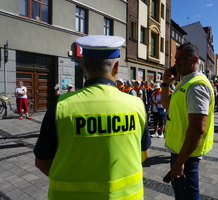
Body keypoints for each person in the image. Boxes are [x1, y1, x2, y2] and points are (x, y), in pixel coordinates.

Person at [34, 35, 151, 200]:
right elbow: (144, 154)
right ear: (116, 66)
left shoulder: (60, 106)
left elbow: (42, 162)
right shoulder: (137, 105)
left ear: (83, 65)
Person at [161, 43, 215, 200]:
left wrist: (179, 162)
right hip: (179, 150)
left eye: (181, 59)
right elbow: (166, 104)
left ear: (194, 60)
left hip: (187, 155)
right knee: (180, 192)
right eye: (176, 58)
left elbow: (198, 129)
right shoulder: (184, 82)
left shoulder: (197, 86)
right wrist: (165, 84)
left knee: (188, 193)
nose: (176, 62)